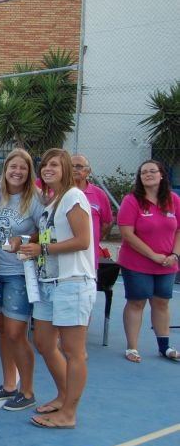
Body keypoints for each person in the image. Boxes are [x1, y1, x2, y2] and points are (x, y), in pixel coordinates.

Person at [19, 148, 95, 429]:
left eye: (55, 164)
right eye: (45, 164)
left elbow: (82, 240)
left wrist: (42, 248)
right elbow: (49, 235)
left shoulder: (74, 196)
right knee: (43, 342)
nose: (48, 169)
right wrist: (26, 243)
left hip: (72, 282)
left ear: (66, 169)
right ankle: (64, 396)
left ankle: (69, 413)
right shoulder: (52, 202)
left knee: (74, 351)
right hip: (49, 283)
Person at [0, 149, 44, 411]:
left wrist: (25, 239)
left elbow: (45, 231)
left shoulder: (35, 197)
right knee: (4, 330)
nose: (17, 172)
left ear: (29, 172)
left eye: (23, 168)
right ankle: (9, 385)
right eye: (13, 167)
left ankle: (27, 390)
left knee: (17, 332)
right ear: (5, 168)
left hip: (19, 272)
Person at [118, 160, 180, 363]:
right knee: (137, 302)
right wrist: (153, 255)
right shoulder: (132, 201)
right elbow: (127, 234)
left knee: (162, 302)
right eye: (144, 172)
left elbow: (179, 230)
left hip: (167, 264)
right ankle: (132, 347)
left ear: (162, 175)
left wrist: (175, 255)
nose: (148, 174)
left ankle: (164, 346)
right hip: (137, 264)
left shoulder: (173, 200)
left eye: (153, 171)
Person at [71, 154, 114, 269]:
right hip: (65, 256)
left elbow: (106, 224)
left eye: (79, 166)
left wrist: (92, 238)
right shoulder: (59, 193)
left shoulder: (99, 194)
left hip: (89, 259)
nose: (74, 169)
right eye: (70, 166)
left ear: (88, 171)